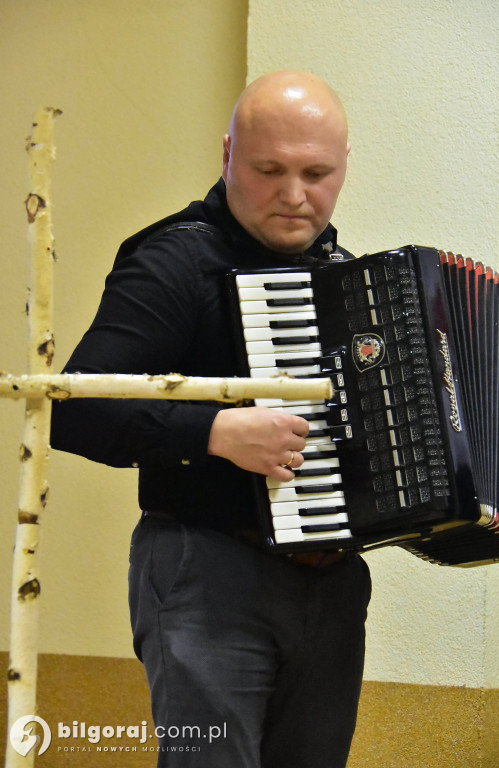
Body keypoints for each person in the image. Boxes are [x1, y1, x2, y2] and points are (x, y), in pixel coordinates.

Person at [51, 70, 372, 768]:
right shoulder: (175, 261)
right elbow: (73, 410)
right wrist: (216, 433)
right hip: (207, 571)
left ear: (345, 164)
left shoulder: (348, 279)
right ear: (227, 154)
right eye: (268, 170)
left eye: (316, 173)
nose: (294, 195)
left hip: (332, 587)